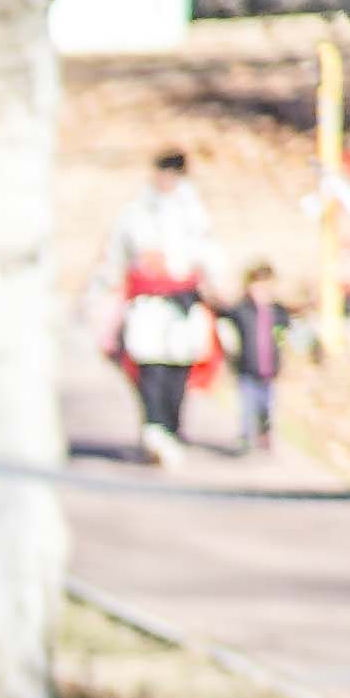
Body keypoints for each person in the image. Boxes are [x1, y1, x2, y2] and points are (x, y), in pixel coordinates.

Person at [103, 148, 219, 466]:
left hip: (182, 303)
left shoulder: (194, 214)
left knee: (178, 370)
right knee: (148, 367)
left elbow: (209, 255)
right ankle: (153, 428)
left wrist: (217, 287)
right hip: (148, 303)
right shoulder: (136, 213)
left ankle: (171, 427)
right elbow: (117, 256)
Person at [225, 261, 293, 458]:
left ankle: (265, 433)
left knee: (266, 406)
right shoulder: (242, 310)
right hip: (247, 367)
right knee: (247, 405)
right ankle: (246, 437)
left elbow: (288, 332)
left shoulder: (278, 312)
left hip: (269, 369)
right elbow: (224, 312)